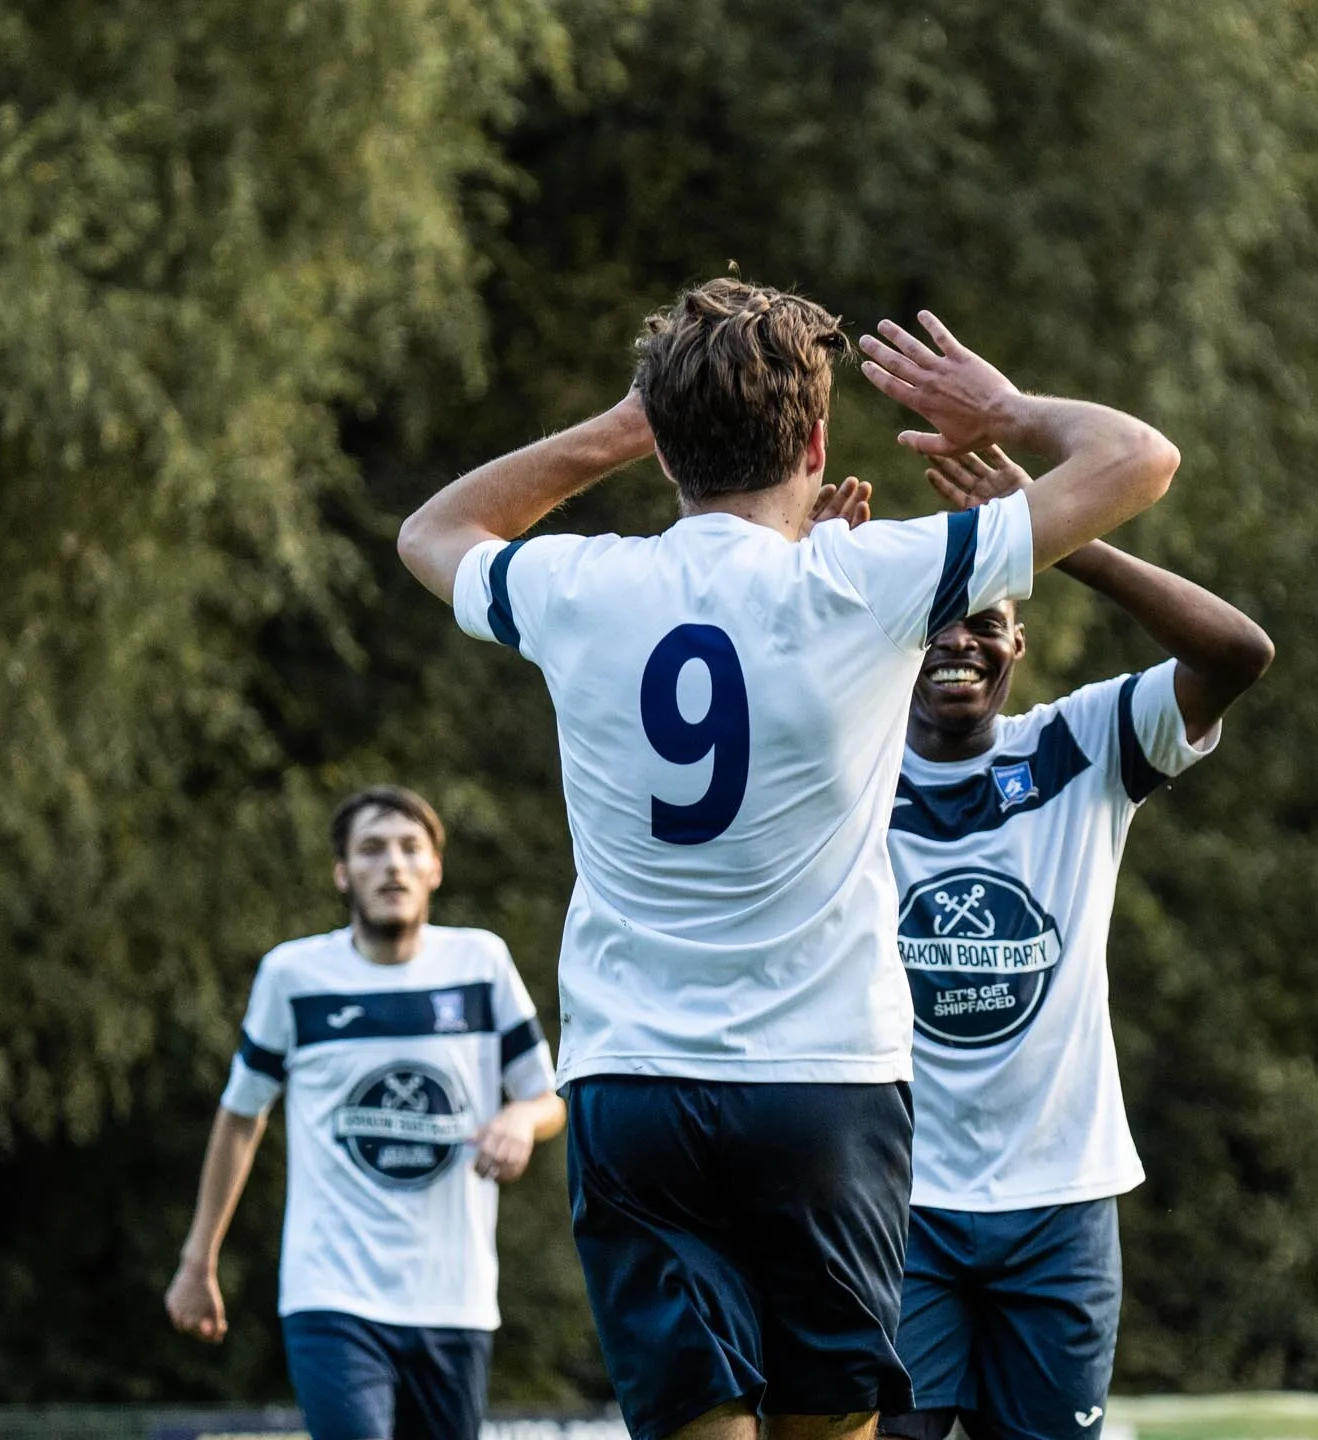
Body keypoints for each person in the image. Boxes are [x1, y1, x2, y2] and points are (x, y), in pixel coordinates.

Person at [392, 279, 1181, 1440]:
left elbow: (433, 532)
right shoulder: (871, 579)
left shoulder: (583, 587)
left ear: (665, 452)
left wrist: (615, 429)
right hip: (825, 1087)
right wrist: (999, 408)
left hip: (634, 1083)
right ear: (816, 443)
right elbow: (1139, 459)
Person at [875, 447, 1272, 1440]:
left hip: (1060, 1204)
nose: (957, 640)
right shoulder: (840, 771)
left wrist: (1059, 535)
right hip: (898, 1201)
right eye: (933, 622)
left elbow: (1237, 653)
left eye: (984, 620)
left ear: (1019, 645)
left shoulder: (1081, 746)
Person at [165, 785, 567, 1440]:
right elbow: (241, 1115)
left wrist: (520, 1122)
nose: (393, 865)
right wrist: (197, 1261)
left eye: (411, 849)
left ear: (435, 869)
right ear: (343, 872)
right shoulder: (293, 978)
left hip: (454, 1300)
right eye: (372, 849)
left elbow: (548, 1097)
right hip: (332, 1294)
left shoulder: (480, 963)